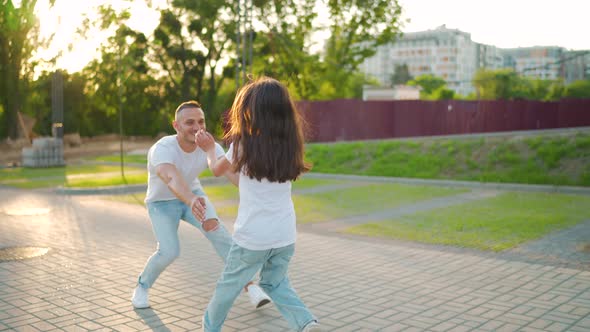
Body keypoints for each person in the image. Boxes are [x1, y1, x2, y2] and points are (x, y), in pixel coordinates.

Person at [196, 77, 320, 332]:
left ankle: (210, 328)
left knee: (228, 287)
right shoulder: (290, 145)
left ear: (251, 111)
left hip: (252, 238)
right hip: (284, 236)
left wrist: (210, 148)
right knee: (275, 283)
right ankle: (306, 323)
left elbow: (217, 169)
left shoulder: (243, 144)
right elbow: (244, 183)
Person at [131, 100, 271, 310]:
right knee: (169, 251)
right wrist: (190, 199)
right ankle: (142, 287)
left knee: (220, 235)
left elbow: (231, 173)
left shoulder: (209, 146)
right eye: (189, 123)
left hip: (194, 196)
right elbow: (170, 178)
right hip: (162, 203)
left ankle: (250, 287)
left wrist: (259, 193)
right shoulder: (162, 149)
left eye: (201, 121)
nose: (197, 127)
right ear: (176, 126)